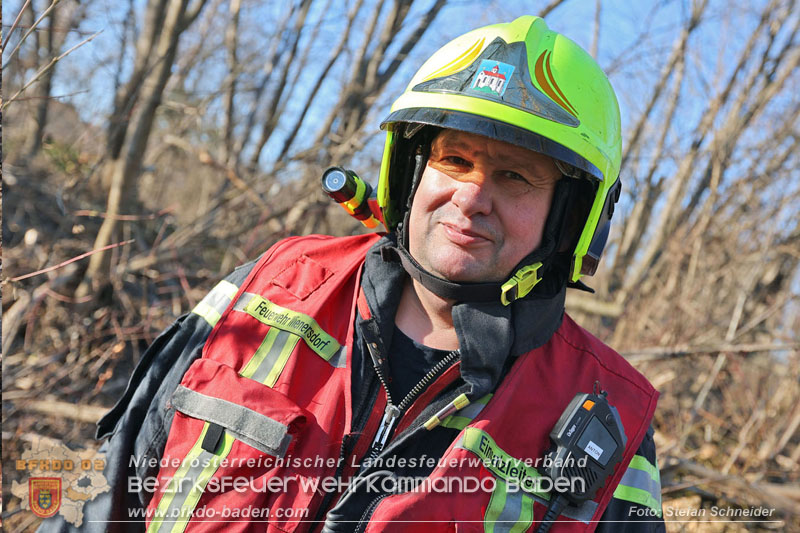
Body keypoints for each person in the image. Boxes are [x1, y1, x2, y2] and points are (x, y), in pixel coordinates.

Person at [40, 15, 664, 533]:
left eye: (514, 176)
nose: (471, 198)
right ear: (410, 170)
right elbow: (105, 491)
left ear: (572, 218)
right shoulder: (274, 286)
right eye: (455, 159)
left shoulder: (606, 419)